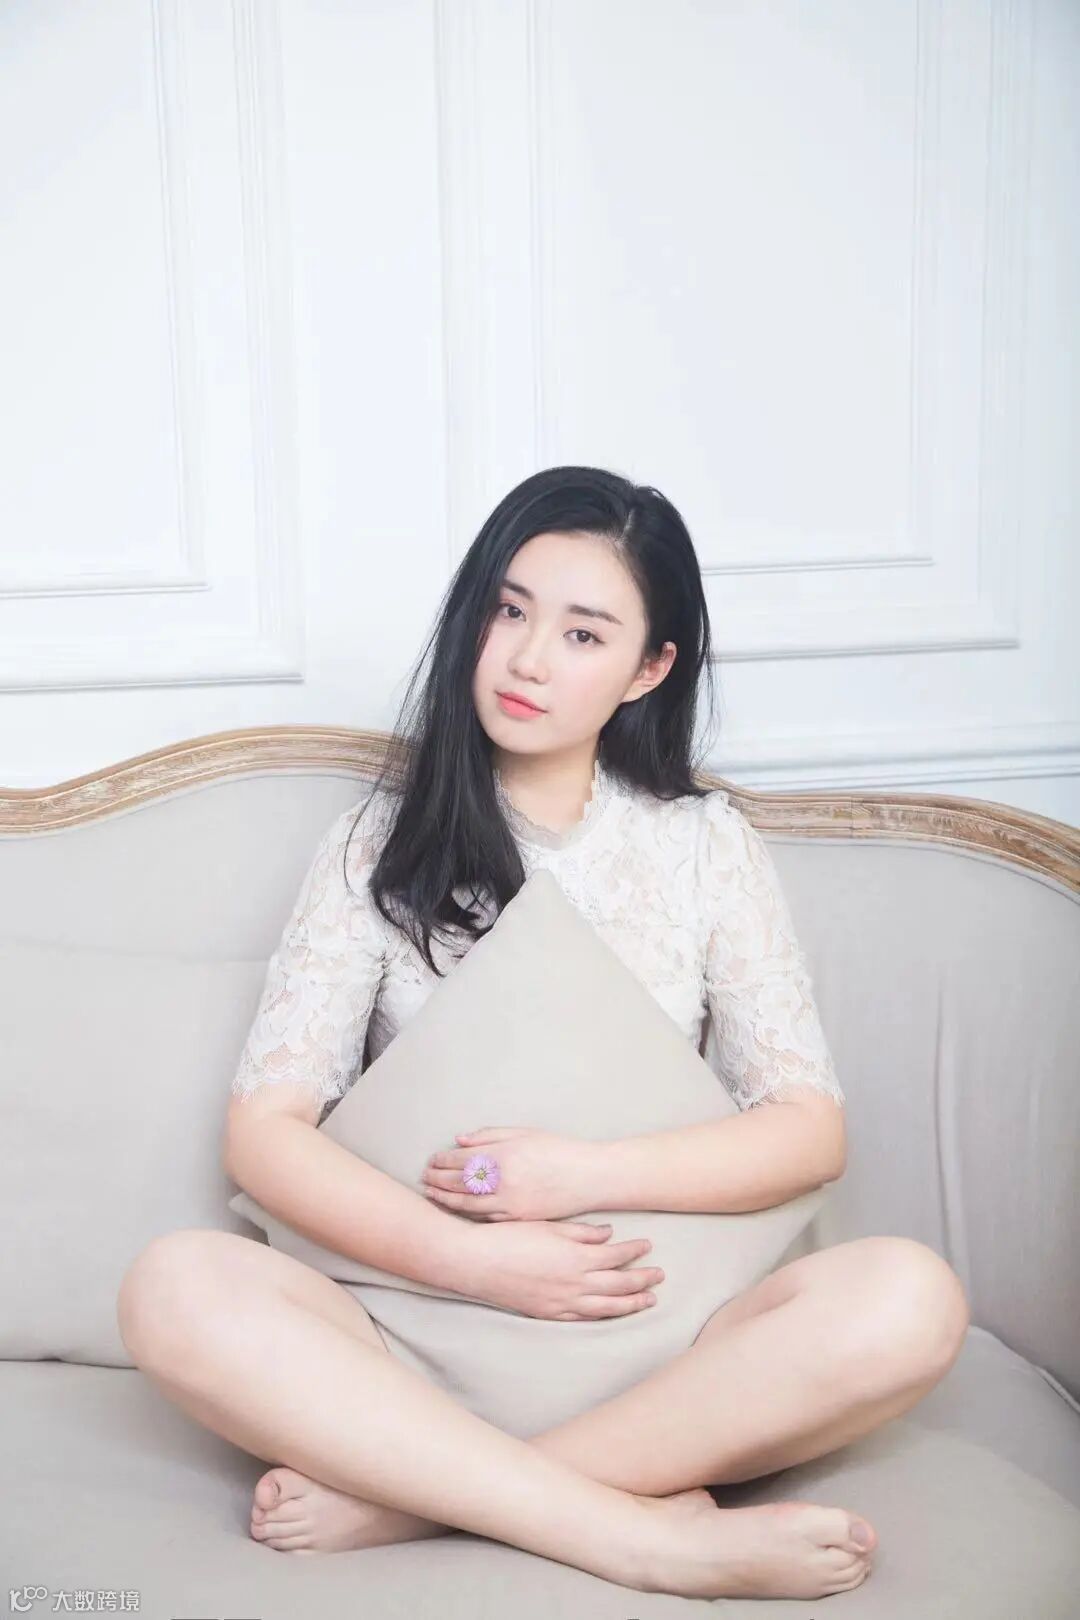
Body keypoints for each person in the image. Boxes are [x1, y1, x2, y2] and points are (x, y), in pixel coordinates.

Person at [117, 466, 968, 1600]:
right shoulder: (374, 843)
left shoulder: (704, 847)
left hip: (659, 1339)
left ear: (648, 669)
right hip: (410, 1343)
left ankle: (416, 1501)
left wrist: (575, 1176)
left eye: (582, 634)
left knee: (910, 1297)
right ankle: (642, 1536)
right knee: (173, 1286)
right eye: (509, 611)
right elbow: (265, 1133)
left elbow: (808, 1132)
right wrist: (475, 1260)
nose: (526, 659)